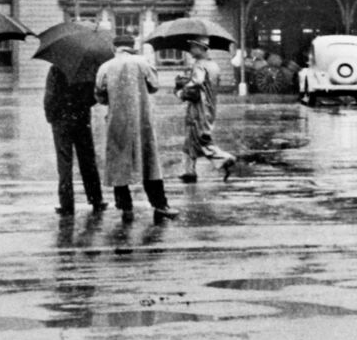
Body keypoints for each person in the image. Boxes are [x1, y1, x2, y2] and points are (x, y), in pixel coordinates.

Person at [94, 34, 179, 220]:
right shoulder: (143, 62)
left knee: (119, 162)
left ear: (114, 47)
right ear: (132, 46)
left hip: (117, 120)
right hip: (142, 118)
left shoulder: (105, 67)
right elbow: (154, 86)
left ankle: (125, 207)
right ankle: (160, 204)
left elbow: (99, 95)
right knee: (150, 161)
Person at [43, 64, 107, 215]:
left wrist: (51, 116)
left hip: (61, 120)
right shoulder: (88, 69)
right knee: (87, 159)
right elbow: (95, 96)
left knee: (64, 162)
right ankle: (96, 199)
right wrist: (82, 104)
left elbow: (50, 95)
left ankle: (66, 203)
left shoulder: (56, 68)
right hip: (81, 118)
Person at [176, 36, 237, 183]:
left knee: (200, 138)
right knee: (190, 140)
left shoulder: (199, 65)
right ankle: (189, 171)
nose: (190, 50)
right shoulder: (214, 65)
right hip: (209, 106)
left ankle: (225, 158)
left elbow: (196, 82)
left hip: (198, 108)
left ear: (201, 48)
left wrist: (181, 87)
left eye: (192, 47)